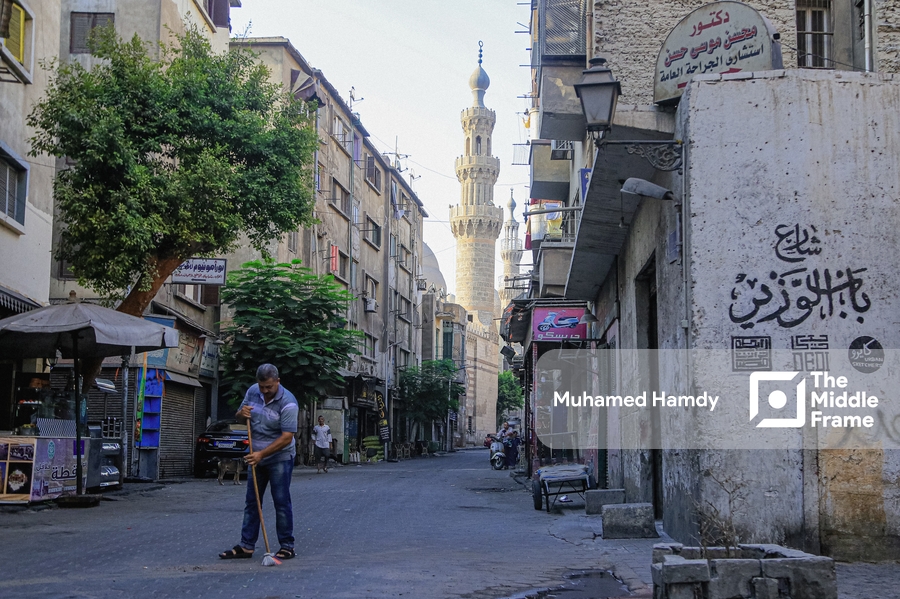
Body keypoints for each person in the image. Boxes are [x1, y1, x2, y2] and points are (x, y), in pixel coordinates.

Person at [219, 364, 298, 561]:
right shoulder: (253, 392)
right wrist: (241, 413)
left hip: (279, 457)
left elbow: (287, 437)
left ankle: (287, 545)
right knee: (252, 501)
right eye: (262, 386)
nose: (264, 391)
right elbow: (240, 414)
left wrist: (262, 455)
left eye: (269, 387)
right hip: (255, 455)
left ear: (277, 382)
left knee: (281, 501)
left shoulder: (288, 403)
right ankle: (247, 546)